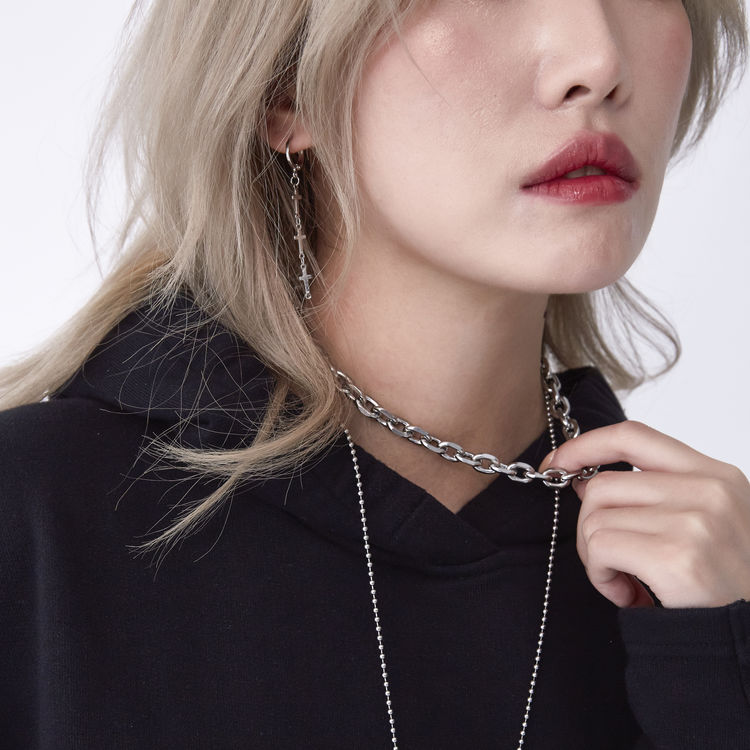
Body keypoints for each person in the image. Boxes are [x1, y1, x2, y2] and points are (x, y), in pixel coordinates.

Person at [1, 0, 749, 748]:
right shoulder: (37, 523)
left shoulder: (705, 590)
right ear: (286, 92)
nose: (601, 62)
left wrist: (723, 676)